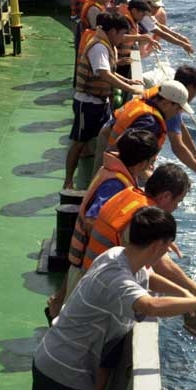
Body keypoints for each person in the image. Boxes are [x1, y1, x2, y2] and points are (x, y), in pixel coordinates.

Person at [32, 206, 196, 390]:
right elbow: (150, 305)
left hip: (57, 360)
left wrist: (186, 293)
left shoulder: (118, 254)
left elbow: (149, 277)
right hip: (63, 374)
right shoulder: (115, 277)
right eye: (167, 246)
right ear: (158, 245)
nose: (168, 251)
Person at [46, 129, 160, 321]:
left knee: (64, 305)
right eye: (151, 161)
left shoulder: (113, 171)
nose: (152, 166)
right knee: (70, 317)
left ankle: (55, 307)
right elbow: (92, 219)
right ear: (142, 163)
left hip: (83, 258)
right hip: (89, 262)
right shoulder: (115, 184)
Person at [80, 163, 196, 303]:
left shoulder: (129, 194)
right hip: (103, 289)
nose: (176, 207)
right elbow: (162, 266)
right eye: (178, 201)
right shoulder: (146, 217)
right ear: (166, 196)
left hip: (90, 273)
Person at [93, 68, 196, 193]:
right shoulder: (150, 123)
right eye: (178, 109)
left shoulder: (161, 94)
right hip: (115, 155)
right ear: (166, 104)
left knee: (97, 186)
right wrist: (150, 178)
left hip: (109, 137)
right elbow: (130, 153)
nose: (179, 112)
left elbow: (179, 126)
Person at [63, 12, 145, 190]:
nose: (122, 38)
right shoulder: (99, 47)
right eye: (122, 34)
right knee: (78, 143)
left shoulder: (106, 44)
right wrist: (131, 89)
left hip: (100, 102)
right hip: (87, 103)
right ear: (113, 31)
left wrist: (128, 81)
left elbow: (109, 70)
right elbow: (104, 74)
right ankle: (68, 180)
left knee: (102, 136)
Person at [114, 0, 192, 80]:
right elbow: (117, 37)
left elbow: (160, 27)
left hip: (124, 56)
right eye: (142, 15)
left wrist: (181, 38)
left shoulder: (137, 17)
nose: (142, 18)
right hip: (118, 58)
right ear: (134, 10)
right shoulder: (124, 20)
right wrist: (140, 37)